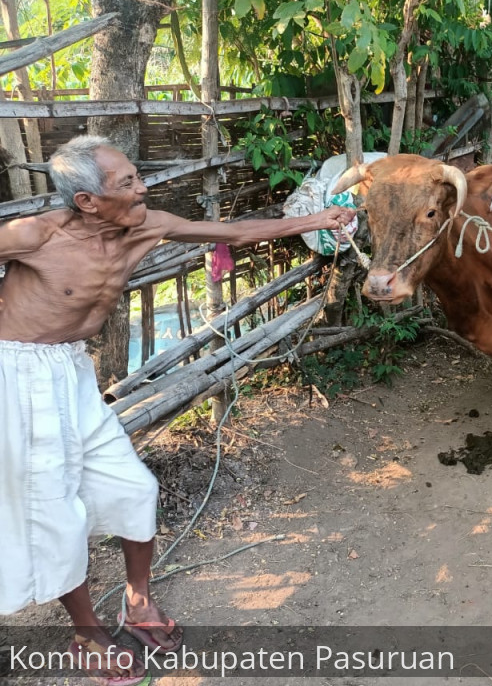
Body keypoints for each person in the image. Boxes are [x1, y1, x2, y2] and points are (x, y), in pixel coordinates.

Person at [0, 135, 354, 685]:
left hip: (71, 371)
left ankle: (137, 602)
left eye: (137, 177)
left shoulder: (147, 224)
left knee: (134, 488)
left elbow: (236, 231)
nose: (143, 187)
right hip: (18, 376)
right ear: (87, 201)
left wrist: (322, 219)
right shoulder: (34, 235)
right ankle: (86, 633)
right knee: (53, 512)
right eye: (128, 183)